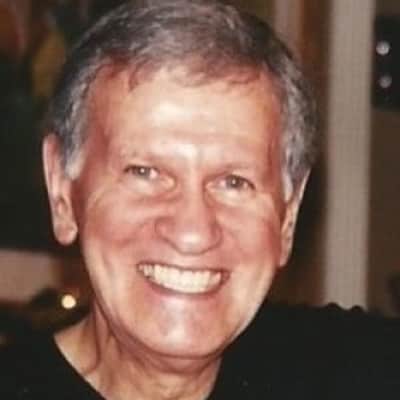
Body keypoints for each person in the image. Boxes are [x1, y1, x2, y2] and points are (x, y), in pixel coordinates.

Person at [1, 1, 399, 399]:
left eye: (233, 182)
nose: (193, 232)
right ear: (62, 189)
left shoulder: (360, 373)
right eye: (145, 172)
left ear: (288, 215)